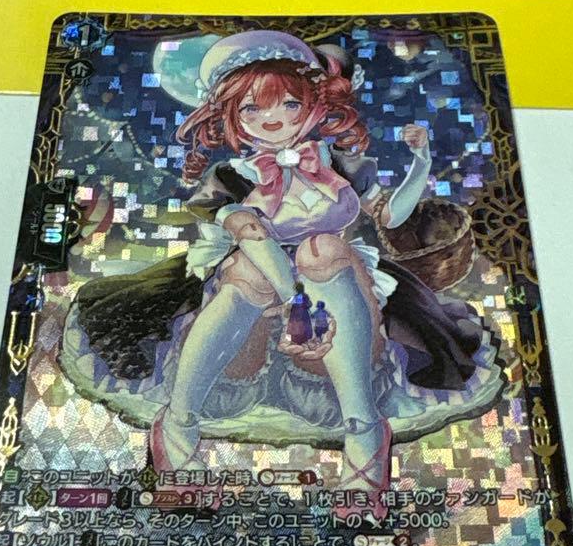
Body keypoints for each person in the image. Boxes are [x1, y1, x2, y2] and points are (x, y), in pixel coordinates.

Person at [60, 31, 503, 520]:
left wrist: (421, 163)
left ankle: (364, 429)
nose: (273, 119)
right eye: (252, 109)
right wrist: (295, 302)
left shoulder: (339, 164)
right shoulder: (231, 177)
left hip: (335, 287)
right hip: (255, 291)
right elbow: (250, 233)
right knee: (252, 267)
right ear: (229, 115)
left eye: (289, 103)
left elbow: (391, 217)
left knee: (321, 249)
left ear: (314, 102)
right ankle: (179, 424)